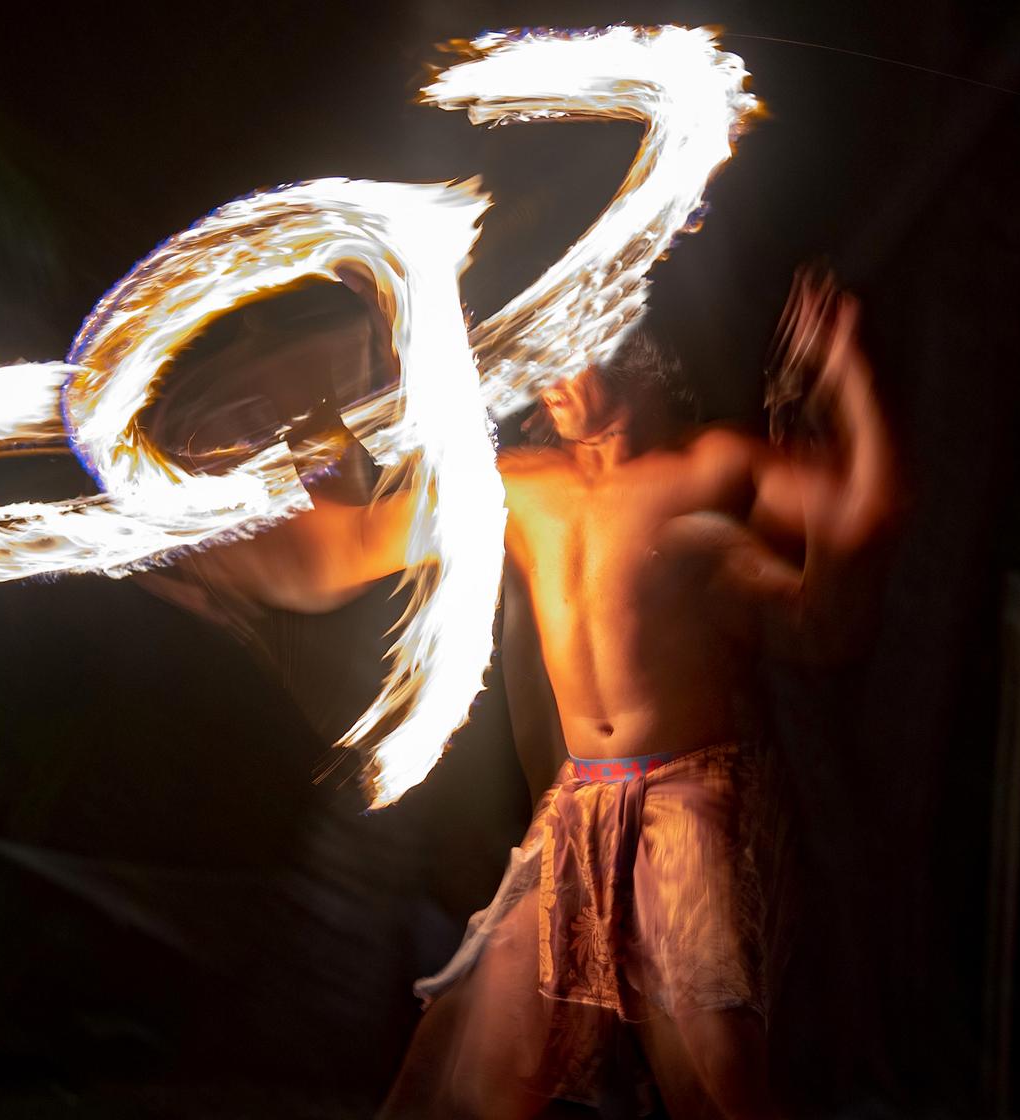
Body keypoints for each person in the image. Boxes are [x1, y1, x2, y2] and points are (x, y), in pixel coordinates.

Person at [167, 268, 896, 1117]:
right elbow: (346, 550)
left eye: (565, 356)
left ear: (623, 350)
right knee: (482, 1071)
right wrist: (278, 465)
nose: (546, 380)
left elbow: (858, 512)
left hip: (688, 803)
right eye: (539, 362)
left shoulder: (707, 466)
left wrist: (850, 377)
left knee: (716, 1075)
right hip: (578, 809)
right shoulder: (520, 486)